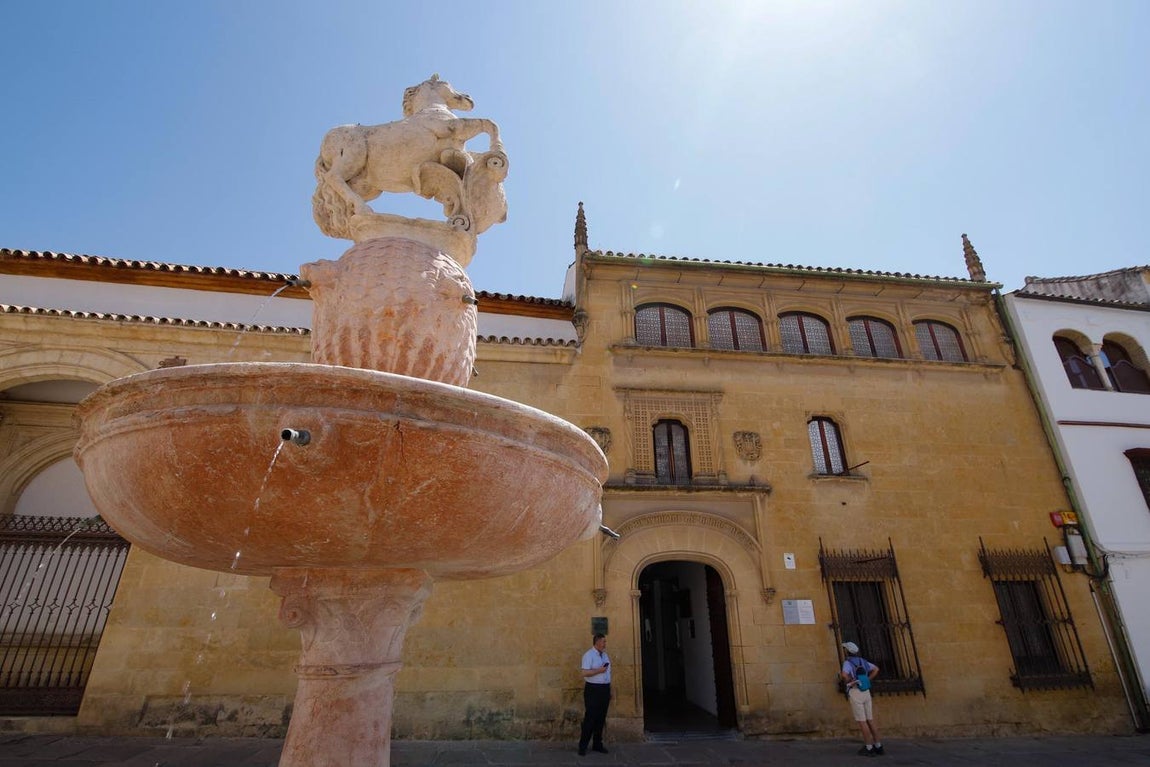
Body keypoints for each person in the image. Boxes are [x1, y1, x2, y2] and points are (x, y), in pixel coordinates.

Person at [840, 641, 884, 757]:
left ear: (847, 652)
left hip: (856, 692)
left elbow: (844, 675)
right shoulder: (863, 661)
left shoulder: (848, 663)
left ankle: (868, 747)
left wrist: (850, 681)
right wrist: (867, 679)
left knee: (862, 721)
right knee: (870, 719)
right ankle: (878, 745)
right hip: (866, 691)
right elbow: (876, 669)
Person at [578, 633, 612, 755]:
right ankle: (583, 746)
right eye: (603, 641)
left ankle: (597, 744)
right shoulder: (589, 655)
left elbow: (607, 673)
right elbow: (585, 673)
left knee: (601, 719)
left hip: (604, 689)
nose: (605, 644)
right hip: (593, 690)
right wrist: (599, 670)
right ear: (597, 642)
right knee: (590, 718)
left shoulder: (605, 655)